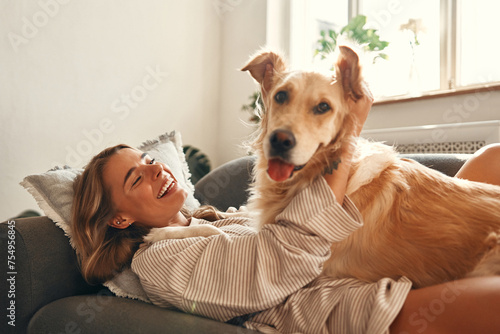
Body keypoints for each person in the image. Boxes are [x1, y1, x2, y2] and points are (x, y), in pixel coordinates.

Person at [71, 92, 500, 333]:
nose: (155, 170)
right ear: (119, 219)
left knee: (492, 157)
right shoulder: (158, 262)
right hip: (352, 305)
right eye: (135, 179)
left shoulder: (216, 218)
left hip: (370, 245)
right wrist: (346, 139)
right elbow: (272, 264)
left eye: (148, 160)